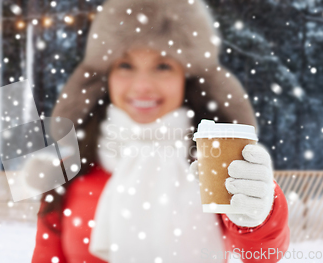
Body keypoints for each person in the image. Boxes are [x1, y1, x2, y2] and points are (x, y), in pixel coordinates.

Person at [31, 0, 289, 262]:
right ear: (104, 77)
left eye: (163, 66)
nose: (142, 86)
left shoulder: (218, 165)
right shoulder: (68, 173)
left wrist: (260, 213)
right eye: (125, 65)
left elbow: (261, 254)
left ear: (186, 79)